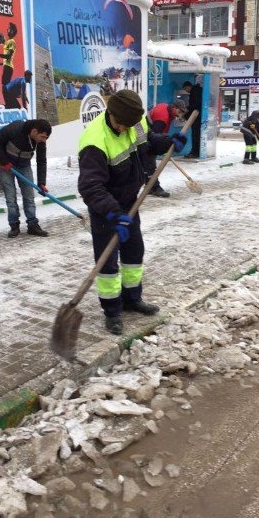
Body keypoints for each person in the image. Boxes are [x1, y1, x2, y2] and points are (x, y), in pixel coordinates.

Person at [78, 90, 186, 335]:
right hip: (106, 209)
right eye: (121, 124)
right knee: (107, 261)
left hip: (130, 202)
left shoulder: (134, 124)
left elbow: (146, 145)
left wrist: (167, 141)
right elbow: (90, 186)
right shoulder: (95, 140)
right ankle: (112, 311)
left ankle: (132, 299)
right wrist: (114, 214)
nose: (126, 129)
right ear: (111, 114)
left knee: (134, 252)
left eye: (130, 124)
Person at [0, 119, 52, 238]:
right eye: (43, 137)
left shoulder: (41, 141)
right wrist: (4, 161)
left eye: (46, 138)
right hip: (6, 166)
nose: (44, 140)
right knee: (10, 197)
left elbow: (41, 161)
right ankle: (14, 226)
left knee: (29, 196)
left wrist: (41, 183)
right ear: (34, 131)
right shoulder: (15, 128)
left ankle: (32, 225)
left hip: (24, 166)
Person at [145, 99, 188, 198]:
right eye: (180, 111)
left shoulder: (166, 109)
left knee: (148, 165)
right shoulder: (162, 117)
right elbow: (155, 136)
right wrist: (165, 144)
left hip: (148, 135)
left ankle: (150, 187)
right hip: (145, 138)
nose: (180, 114)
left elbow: (160, 134)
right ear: (174, 107)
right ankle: (154, 188)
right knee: (149, 164)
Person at [0, 22, 18, 94]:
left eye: (9, 29)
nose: (7, 30)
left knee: (5, 86)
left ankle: (11, 98)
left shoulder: (12, 42)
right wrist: (0, 63)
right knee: (5, 85)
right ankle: (9, 100)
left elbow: (9, 56)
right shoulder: (8, 42)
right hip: (7, 66)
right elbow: (7, 59)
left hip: (8, 67)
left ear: (12, 31)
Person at [185, 76, 202, 158]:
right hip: (199, 116)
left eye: (185, 89)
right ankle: (197, 151)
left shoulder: (193, 92)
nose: (186, 91)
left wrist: (186, 113)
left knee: (195, 135)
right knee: (197, 135)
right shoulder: (198, 90)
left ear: (188, 86)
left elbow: (193, 106)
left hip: (196, 118)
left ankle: (195, 152)